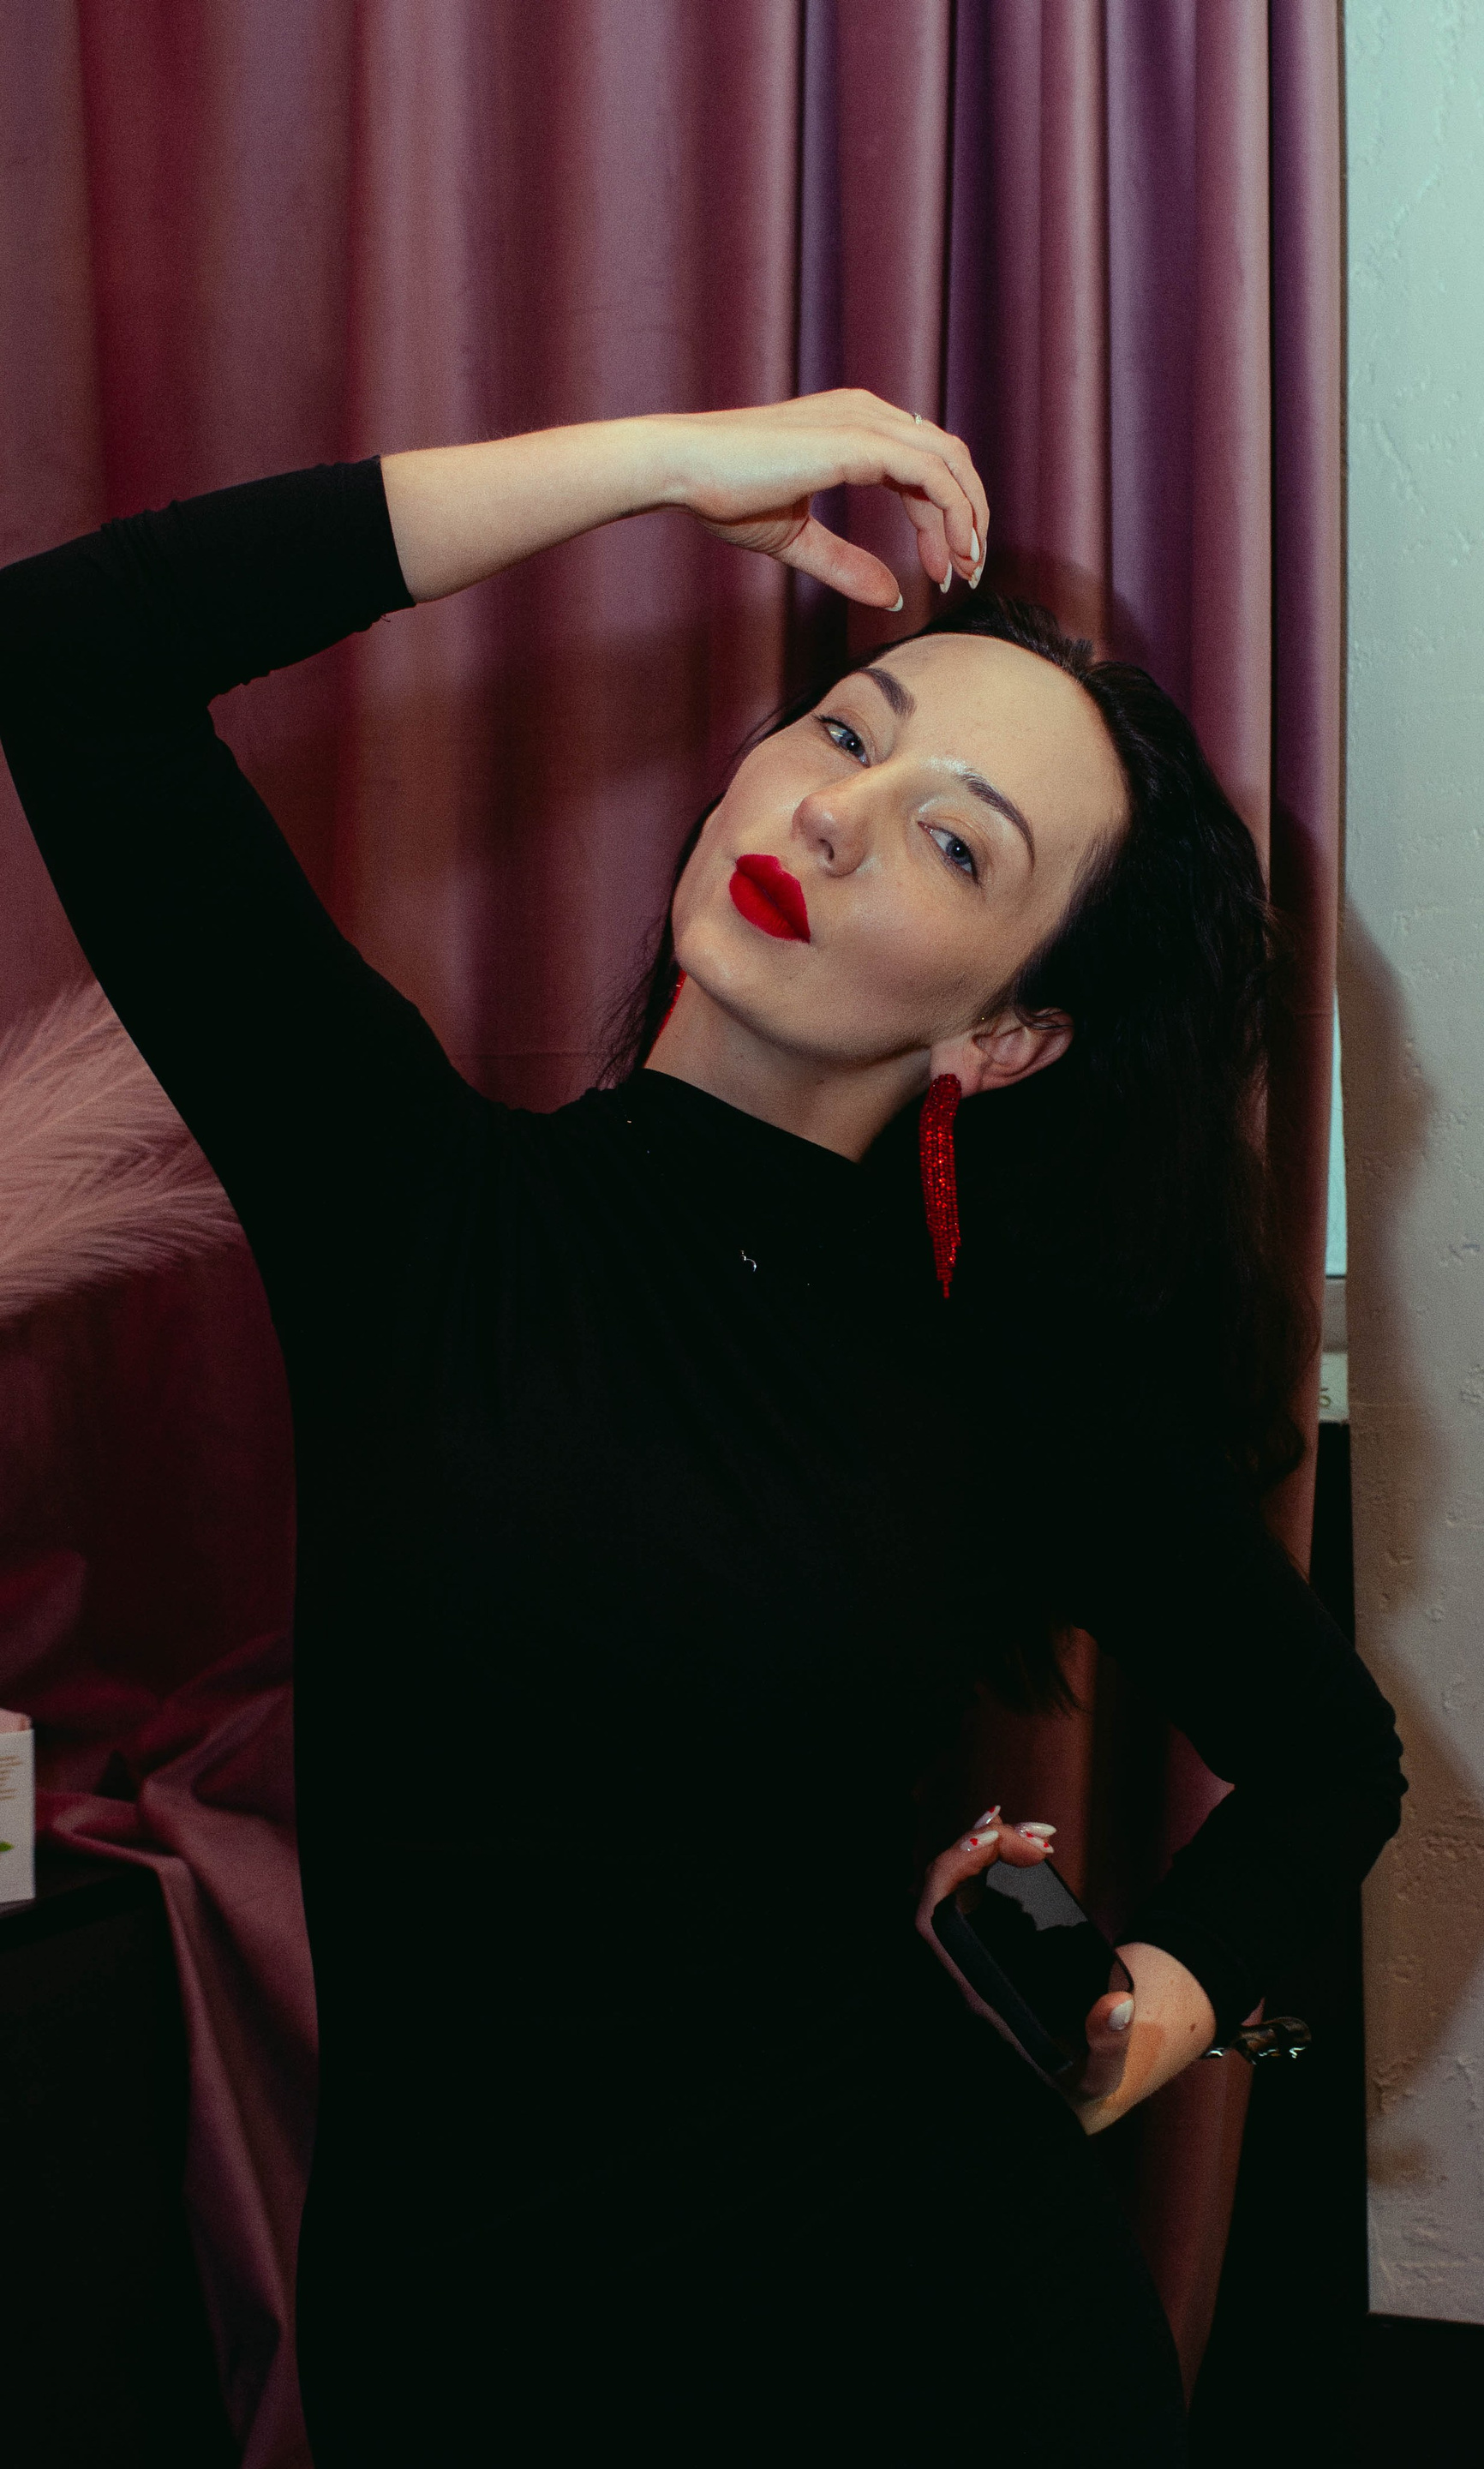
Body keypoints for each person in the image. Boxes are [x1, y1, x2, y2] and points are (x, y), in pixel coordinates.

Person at [0, 390, 1403, 2464]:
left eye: (955, 839)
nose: (837, 816)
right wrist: (661, 465)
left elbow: (1332, 1758)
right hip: (468, 2356)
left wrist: (1138, 2025)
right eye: (844, 733)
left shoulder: (1006, 1375)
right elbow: (69, 649)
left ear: (1009, 1034)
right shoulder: (415, 1204)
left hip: (941, 2356)